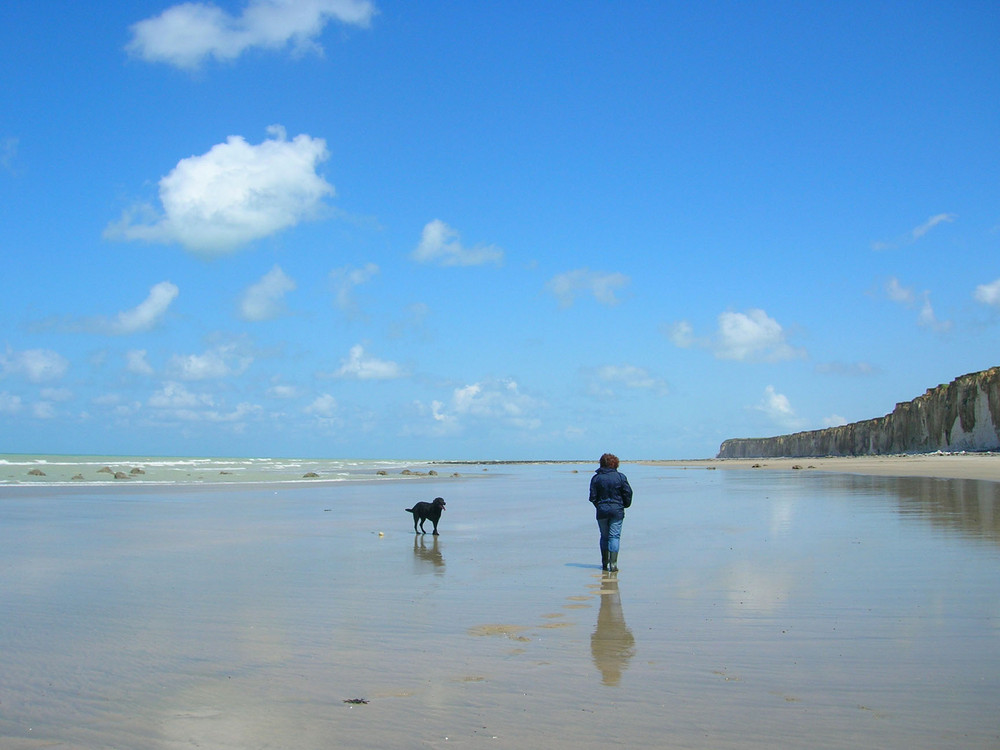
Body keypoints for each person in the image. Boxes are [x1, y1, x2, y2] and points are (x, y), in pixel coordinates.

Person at [589, 453, 633, 572]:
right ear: (615, 464)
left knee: (604, 536)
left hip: (602, 511)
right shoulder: (620, 477)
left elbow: (593, 497)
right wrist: (624, 505)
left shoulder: (596, 478)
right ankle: (613, 565)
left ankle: (604, 564)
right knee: (614, 536)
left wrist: (599, 506)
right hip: (617, 510)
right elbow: (628, 493)